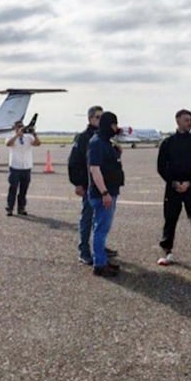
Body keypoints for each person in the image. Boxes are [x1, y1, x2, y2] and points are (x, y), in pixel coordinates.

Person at [156, 109, 191, 266]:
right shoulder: (167, 143)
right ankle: (167, 251)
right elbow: (161, 167)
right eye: (186, 120)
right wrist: (173, 182)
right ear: (178, 121)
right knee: (170, 219)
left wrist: (190, 182)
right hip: (172, 188)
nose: (190, 123)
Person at [68, 106, 120, 265]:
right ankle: (84, 250)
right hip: (89, 185)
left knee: (101, 221)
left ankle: (100, 248)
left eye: (101, 117)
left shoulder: (104, 137)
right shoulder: (84, 138)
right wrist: (77, 183)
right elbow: (74, 162)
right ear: (90, 119)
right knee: (87, 218)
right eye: (97, 117)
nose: (100, 120)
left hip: (103, 184)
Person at [87, 111, 124, 277]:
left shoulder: (105, 141)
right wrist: (104, 192)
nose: (116, 128)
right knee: (101, 229)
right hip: (103, 193)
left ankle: (101, 259)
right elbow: (94, 169)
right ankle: (100, 264)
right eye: (114, 124)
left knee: (102, 228)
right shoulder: (96, 143)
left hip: (110, 191)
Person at [5, 120, 40, 216]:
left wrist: (34, 134)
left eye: (22, 126)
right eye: (18, 126)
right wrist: (17, 135)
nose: (21, 128)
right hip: (15, 167)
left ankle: (21, 208)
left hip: (26, 167)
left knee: (23, 190)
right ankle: (10, 208)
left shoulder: (28, 137)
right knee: (13, 189)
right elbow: (8, 144)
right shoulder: (11, 136)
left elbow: (37, 143)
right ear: (15, 128)